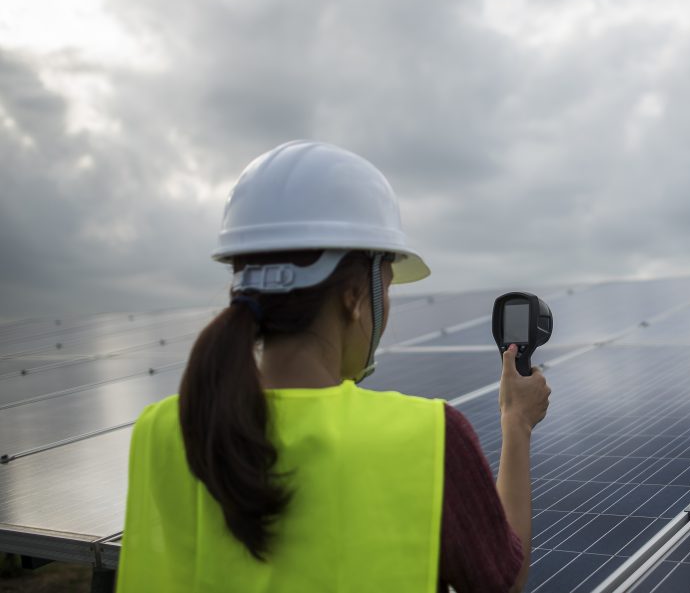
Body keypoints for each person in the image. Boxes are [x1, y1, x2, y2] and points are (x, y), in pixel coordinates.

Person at [116, 140, 551, 592]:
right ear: (354, 298)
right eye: (388, 285)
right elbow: (504, 583)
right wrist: (516, 423)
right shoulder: (430, 438)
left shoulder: (163, 430)